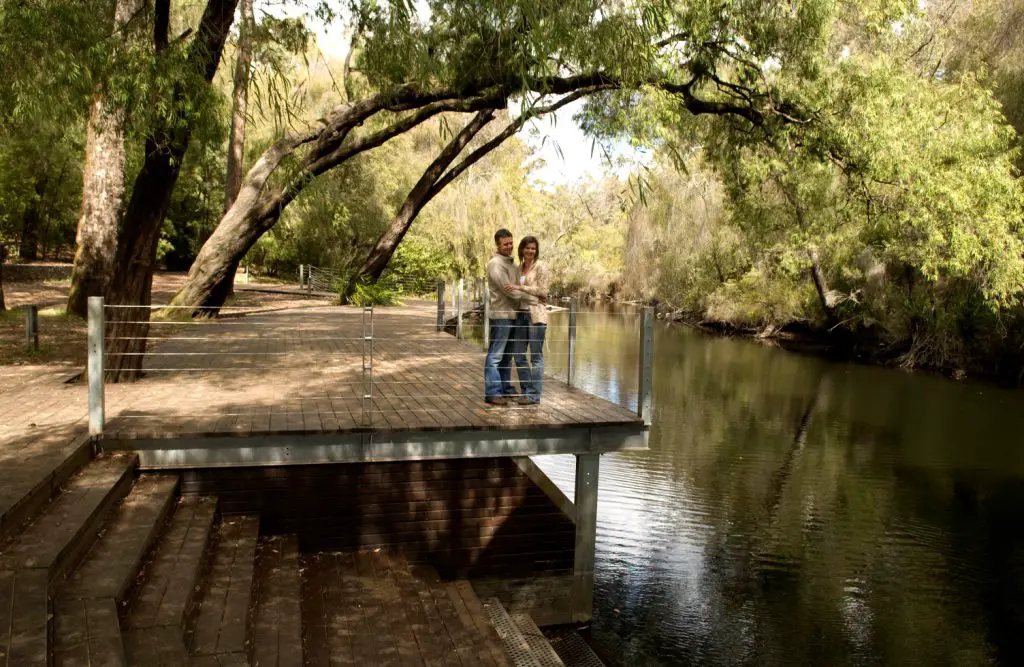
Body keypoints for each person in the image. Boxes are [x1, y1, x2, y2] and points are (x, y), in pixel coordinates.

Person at [483, 229, 525, 405]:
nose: (509, 246)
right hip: (501, 315)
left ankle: (505, 388)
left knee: (507, 356)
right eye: (505, 244)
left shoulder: (513, 265)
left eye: (511, 243)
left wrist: (521, 290)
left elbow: (517, 289)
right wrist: (532, 295)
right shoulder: (495, 264)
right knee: (496, 356)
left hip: (513, 315)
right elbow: (510, 291)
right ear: (498, 246)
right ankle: (492, 393)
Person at [507, 236, 549, 404]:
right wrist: (526, 294)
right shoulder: (518, 269)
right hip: (520, 315)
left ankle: (533, 396)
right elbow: (515, 293)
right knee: (518, 355)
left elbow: (543, 291)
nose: (530, 251)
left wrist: (520, 288)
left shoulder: (541, 266)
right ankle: (526, 391)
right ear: (522, 249)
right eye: (527, 248)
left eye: (533, 248)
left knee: (536, 357)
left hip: (536, 315)